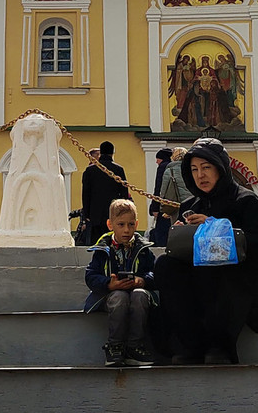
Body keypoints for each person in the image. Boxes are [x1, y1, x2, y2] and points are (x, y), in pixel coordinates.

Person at [154, 138, 258, 364]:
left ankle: (221, 346)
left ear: (220, 168)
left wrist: (216, 228)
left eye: (206, 167)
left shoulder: (245, 200)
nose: (200, 175)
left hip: (236, 272)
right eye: (194, 169)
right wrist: (182, 233)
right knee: (166, 266)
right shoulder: (190, 206)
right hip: (198, 273)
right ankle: (189, 344)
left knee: (217, 269)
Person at [83, 199, 157, 367]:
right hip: (111, 296)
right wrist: (108, 284)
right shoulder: (103, 250)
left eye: (131, 225)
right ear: (110, 225)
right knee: (119, 297)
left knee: (139, 296)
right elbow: (91, 275)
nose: (126, 230)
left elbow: (155, 273)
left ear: (136, 224)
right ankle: (115, 345)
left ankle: (134, 346)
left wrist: (142, 280)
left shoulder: (143, 249)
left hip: (137, 293)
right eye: (121, 224)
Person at [81, 141, 130, 244]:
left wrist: (86, 213)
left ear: (101, 153)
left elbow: (86, 194)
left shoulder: (90, 170)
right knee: (113, 241)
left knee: (96, 242)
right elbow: (124, 192)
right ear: (112, 153)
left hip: (95, 213)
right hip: (114, 212)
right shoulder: (118, 169)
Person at [158, 146, 193, 224]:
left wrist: (164, 206)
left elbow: (164, 190)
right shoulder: (191, 169)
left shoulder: (170, 170)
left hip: (176, 204)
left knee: (178, 226)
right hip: (192, 202)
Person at [147, 147, 174, 246]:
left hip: (164, 206)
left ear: (161, 158)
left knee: (161, 233)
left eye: (157, 159)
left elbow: (158, 188)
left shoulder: (162, 167)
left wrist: (154, 207)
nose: (156, 161)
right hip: (175, 204)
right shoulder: (175, 166)